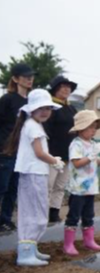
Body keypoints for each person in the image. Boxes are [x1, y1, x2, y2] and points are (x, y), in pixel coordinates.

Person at [4, 89, 64, 266]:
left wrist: (52, 161)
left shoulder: (33, 125)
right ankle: (25, 253)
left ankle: (31, 248)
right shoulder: (32, 126)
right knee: (35, 212)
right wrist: (54, 161)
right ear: (31, 109)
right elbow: (39, 153)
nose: (45, 111)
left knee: (34, 210)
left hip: (35, 173)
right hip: (34, 173)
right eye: (41, 108)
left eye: (48, 108)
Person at [62, 110, 100, 256]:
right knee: (73, 215)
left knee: (88, 215)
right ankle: (68, 244)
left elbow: (93, 163)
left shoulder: (92, 144)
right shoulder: (76, 144)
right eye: (91, 127)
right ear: (81, 128)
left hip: (90, 187)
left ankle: (89, 241)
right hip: (78, 188)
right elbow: (78, 163)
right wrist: (92, 155)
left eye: (95, 127)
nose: (94, 130)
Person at [0, 64, 34, 233]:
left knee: (14, 188)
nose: (29, 79)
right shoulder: (7, 99)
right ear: (15, 79)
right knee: (2, 186)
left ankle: (5, 220)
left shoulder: (30, 102)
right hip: (6, 151)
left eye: (31, 76)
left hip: (23, 152)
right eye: (25, 76)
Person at [43, 76, 78, 224]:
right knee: (47, 186)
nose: (66, 89)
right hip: (52, 154)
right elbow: (46, 131)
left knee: (60, 186)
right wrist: (48, 153)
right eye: (62, 86)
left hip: (67, 154)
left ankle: (54, 213)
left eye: (68, 87)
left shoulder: (71, 108)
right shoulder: (49, 107)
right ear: (55, 89)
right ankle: (42, 214)